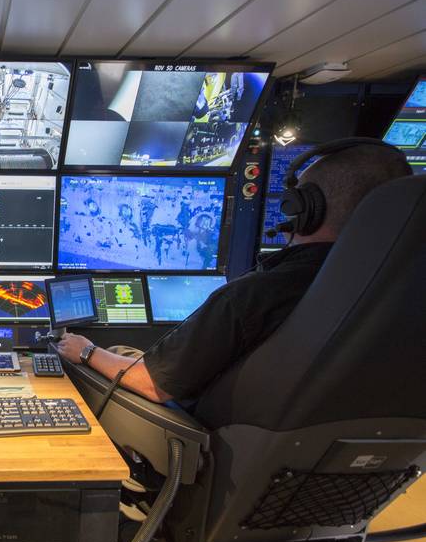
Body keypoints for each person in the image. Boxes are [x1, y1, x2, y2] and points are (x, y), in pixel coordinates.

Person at [58, 143, 413, 413]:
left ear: (304, 209)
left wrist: (85, 350)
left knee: (112, 361)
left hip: (212, 448)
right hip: (315, 475)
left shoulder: (254, 297)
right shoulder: (403, 293)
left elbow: (153, 385)